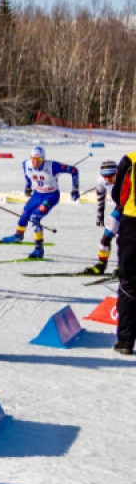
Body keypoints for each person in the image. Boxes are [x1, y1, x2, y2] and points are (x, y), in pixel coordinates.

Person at [0, 146, 79, 259]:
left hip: (51, 195)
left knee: (35, 217)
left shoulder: (53, 166)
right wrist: (28, 186)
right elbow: (26, 174)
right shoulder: (26, 164)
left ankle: (39, 249)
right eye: (33, 159)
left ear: (43, 159)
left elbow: (74, 170)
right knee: (25, 212)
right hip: (37, 194)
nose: (35, 162)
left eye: (39, 160)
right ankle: (18, 235)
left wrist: (75, 189)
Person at [111, 151, 136, 355]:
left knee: (128, 284)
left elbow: (118, 195)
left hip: (132, 225)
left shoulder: (130, 160)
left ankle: (126, 341)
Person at [82, 159, 120, 275]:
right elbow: (100, 195)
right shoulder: (101, 180)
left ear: (117, 172)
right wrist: (100, 215)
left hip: (130, 209)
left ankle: (122, 266)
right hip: (120, 207)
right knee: (106, 237)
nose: (108, 179)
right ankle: (101, 265)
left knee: (123, 239)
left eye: (111, 176)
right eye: (105, 176)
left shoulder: (125, 179)